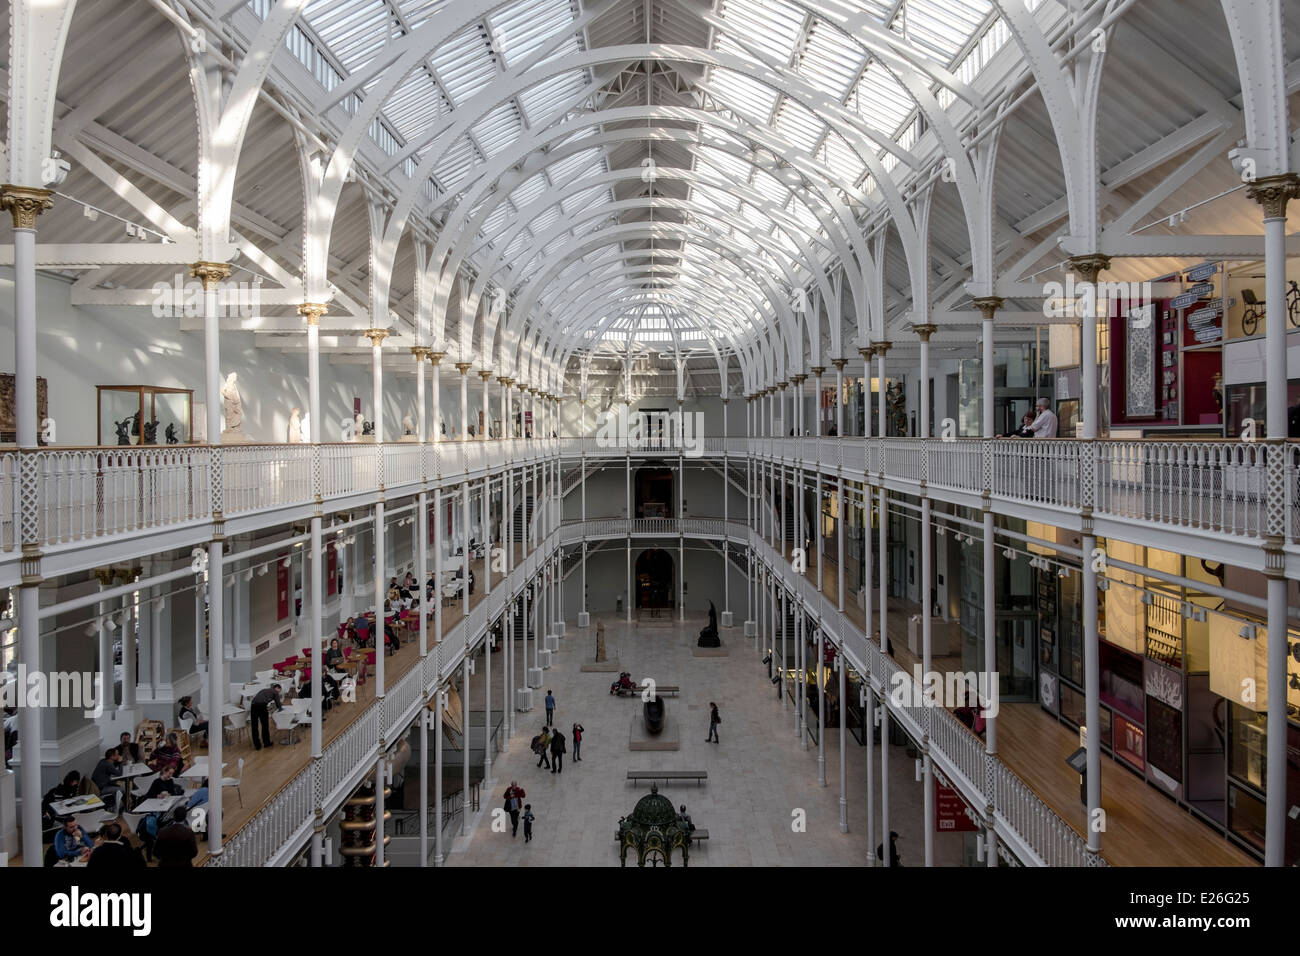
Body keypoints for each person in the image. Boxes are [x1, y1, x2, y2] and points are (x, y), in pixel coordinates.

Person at [91, 746, 125, 811]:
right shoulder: (108, 765)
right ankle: (123, 808)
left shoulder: (103, 761)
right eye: (117, 755)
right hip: (101, 789)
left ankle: (117, 806)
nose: (118, 756)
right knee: (122, 790)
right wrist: (120, 762)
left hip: (98, 785)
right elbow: (119, 773)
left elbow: (112, 769)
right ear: (112, 757)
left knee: (117, 786)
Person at [250, 683, 283, 750]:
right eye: (279, 690)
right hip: (262, 706)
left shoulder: (264, 690)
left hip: (253, 706)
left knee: (254, 726)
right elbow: (278, 703)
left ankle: (257, 745)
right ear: (277, 688)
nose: (279, 692)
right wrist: (281, 709)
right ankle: (266, 743)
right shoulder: (275, 692)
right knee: (265, 725)